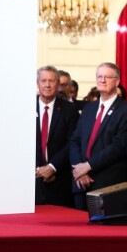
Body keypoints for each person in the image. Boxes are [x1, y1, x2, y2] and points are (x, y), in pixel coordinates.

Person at [69, 63, 127, 210]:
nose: (102, 80)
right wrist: (79, 170)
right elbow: (75, 140)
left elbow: (118, 146)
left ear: (117, 82)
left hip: (107, 184)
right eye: (99, 76)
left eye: (107, 77)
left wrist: (88, 166)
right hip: (81, 182)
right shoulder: (88, 108)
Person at [35, 66, 78, 208]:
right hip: (31, 182)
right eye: (43, 81)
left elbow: (72, 142)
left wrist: (52, 167)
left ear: (58, 84)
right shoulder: (25, 107)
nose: (47, 85)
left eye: (51, 81)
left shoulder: (70, 110)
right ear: (37, 83)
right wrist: (37, 169)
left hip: (59, 181)